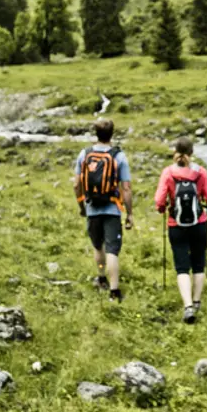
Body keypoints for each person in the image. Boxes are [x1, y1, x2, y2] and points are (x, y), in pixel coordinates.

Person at [155, 137, 207, 323]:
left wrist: (163, 208)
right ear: (192, 152)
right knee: (199, 263)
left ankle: (188, 307)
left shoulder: (168, 173)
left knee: (182, 267)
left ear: (175, 151)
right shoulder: (200, 173)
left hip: (176, 224)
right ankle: (197, 301)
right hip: (199, 223)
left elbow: (159, 200)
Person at [74, 119, 133, 302]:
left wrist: (82, 206)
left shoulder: (85, 154)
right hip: (112, 209)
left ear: (96, 133)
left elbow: (76, 184)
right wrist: (129, 213)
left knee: (98, 246)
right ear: (112, 134)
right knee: (112, 251)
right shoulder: (119, 156)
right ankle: (114, 292)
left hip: (92, 208)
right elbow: (127, 188)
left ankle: (101, 278)